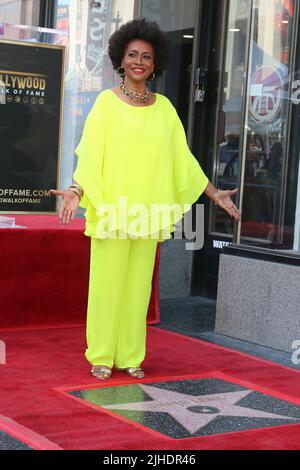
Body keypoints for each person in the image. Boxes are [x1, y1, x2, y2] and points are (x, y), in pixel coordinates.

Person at [50, 19, 241, 381]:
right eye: (133, 55)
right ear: (121, 61)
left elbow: (182, 161)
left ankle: (131, 355)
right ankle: (102, 355)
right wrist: (77, 191)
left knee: (138, 288)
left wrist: (215, 194)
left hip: (148, 214)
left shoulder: (165, 109)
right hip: (112, 211)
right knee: (107, 287)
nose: (139, 61)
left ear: (156, 64)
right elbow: (90, 156)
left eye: (147, 57)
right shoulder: (106, 104)